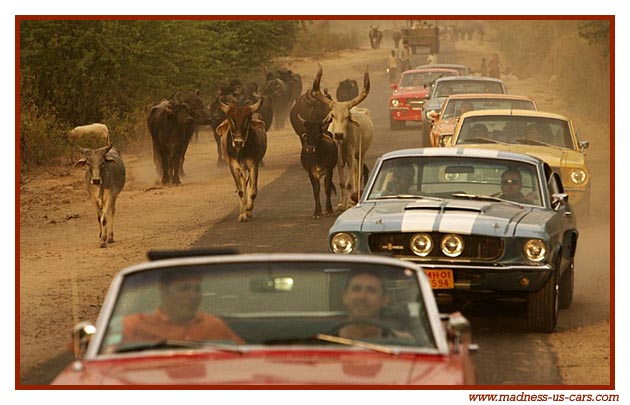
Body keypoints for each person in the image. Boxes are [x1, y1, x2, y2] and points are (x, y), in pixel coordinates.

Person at [122, 272, 244, 344]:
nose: (192, 296)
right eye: (183, 289)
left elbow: (245, 356)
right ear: (163, 290)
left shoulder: (214, 325)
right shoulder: (134, 325)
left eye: (197, 289)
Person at [338, 272, 393, 339]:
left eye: (371, 290)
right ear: (345, 297)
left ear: (385, 300)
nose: (362, 297)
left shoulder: (401, 343)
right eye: (356, 289)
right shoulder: (324, 340)